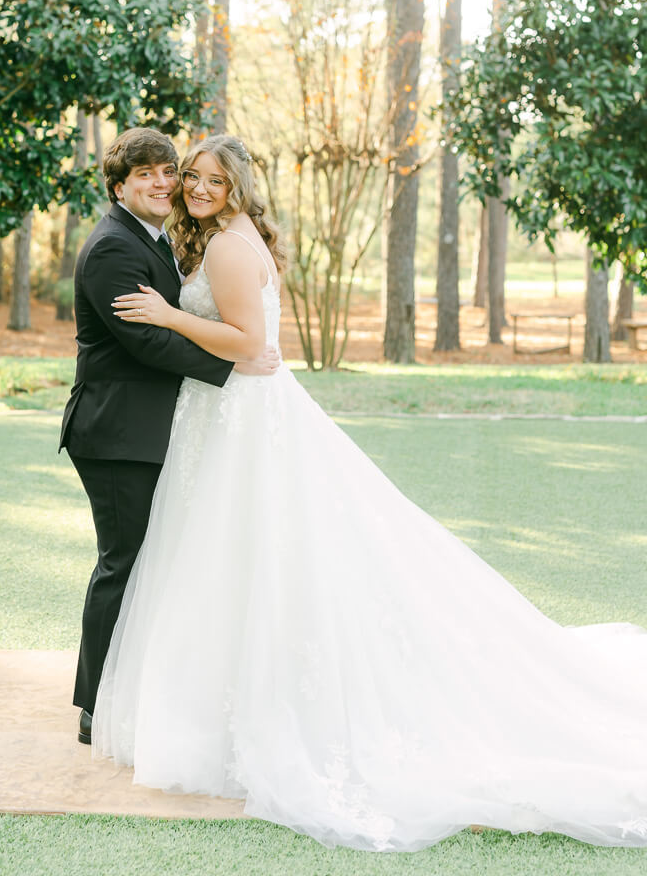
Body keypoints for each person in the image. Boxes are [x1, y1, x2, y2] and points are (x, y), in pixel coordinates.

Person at [91, 133, 647, 854]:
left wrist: (168, 316)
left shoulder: (229, 246)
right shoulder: (230, 236)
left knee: (235, 554)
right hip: (228, 415)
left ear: (238, 184)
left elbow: (247, 342)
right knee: (231, 560)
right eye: (190, 176)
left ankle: (236, 712)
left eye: (210, 178)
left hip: (239, 420)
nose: (196, 187)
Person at [59, 127, 278, 746]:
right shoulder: (111, 249)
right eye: (147, 174)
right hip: (116, 431)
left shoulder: (159, 238)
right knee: (123, 563)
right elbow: (145, 339)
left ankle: (138, 686)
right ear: (120, 185)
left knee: (154, 560)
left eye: (167, 171)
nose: (164, 183)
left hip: (152, 427)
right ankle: (96, 701)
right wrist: (230, 365)